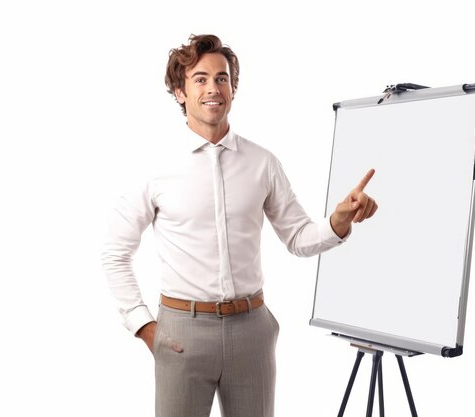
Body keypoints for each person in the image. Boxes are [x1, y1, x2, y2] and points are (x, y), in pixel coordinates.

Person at [101, 34, 377, 417]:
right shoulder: (156, 169)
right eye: (200, 79)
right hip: (182, 332)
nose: (213, 88)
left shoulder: (262, 162)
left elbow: (297, 237)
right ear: (180, 92)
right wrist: (144, 327)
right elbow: (115, 253)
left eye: (221, 78)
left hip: (251, 332)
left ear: (233, 88)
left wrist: (338, 221)